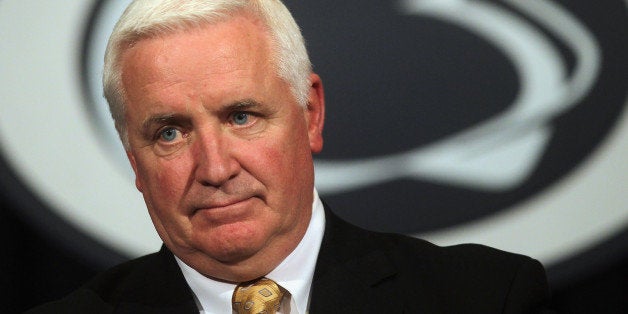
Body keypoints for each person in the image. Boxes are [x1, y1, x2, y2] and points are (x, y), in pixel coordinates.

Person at [28, 0, 554, 313]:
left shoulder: (483, 298)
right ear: (134, 160)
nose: (214, 169)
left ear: (311, 115)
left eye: (241, 116)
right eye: (169, 133)